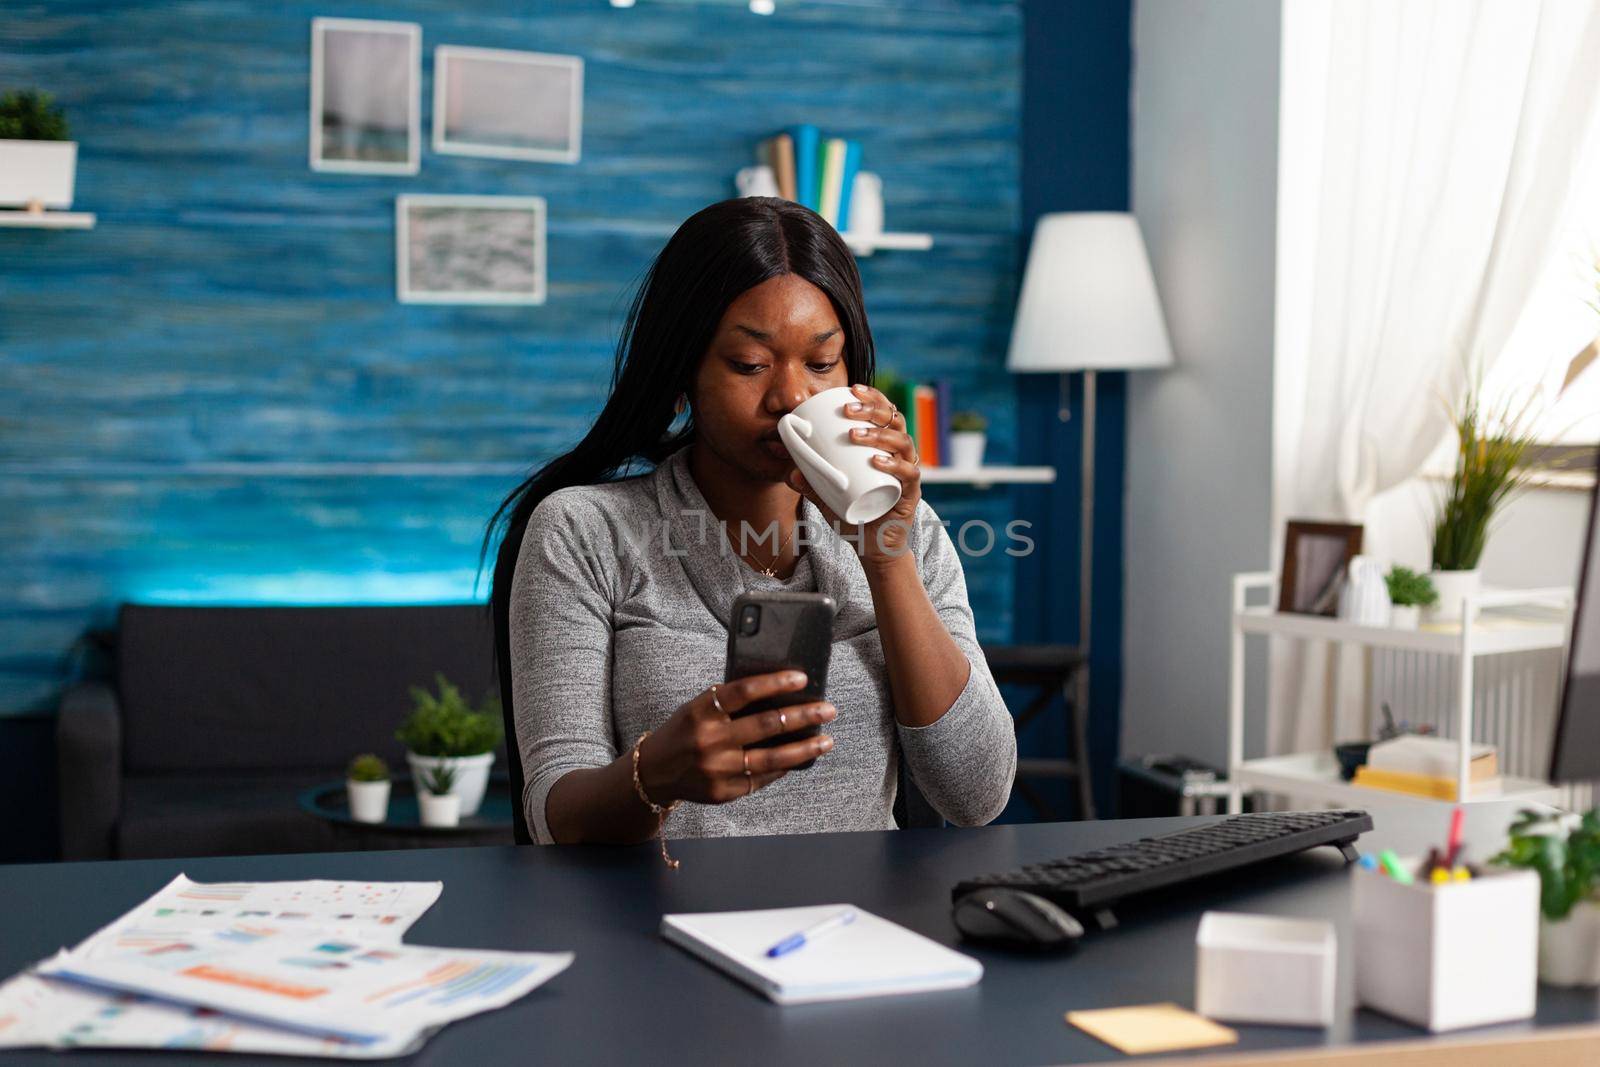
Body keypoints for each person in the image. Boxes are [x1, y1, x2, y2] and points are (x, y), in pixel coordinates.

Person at [488, 197, 1015, 852]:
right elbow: (553, 817)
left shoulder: (909, 529)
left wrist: (886, 557)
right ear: (684, 374)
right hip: (657, 933)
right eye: (750, 364)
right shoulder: (584, 530)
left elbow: (976, 794)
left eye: (821, 363)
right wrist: (656, 774)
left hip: (858, 932)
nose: (791, 396)